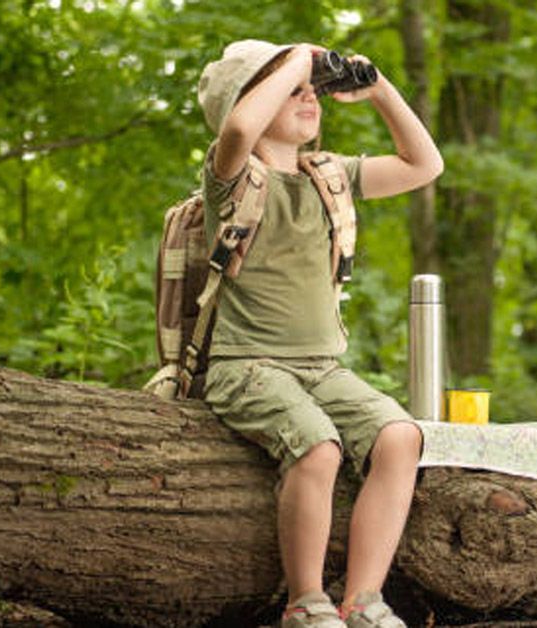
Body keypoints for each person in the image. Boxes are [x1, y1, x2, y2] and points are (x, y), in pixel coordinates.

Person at [196, 39, 443, 628]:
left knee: (400, 437)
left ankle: (363, 600)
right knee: (318, 445)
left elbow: (424, 165)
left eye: (315, 91)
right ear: (255, 96)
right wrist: (296, 62)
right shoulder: (231, 177)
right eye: (293, 91)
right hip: (246, 365)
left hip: (321, 368)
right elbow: (238, 128)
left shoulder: (328, 176)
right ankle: (306, 603)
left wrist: (378, 89)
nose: (309, 96)